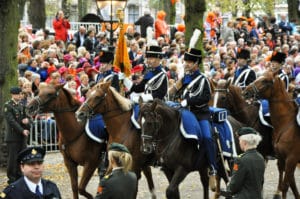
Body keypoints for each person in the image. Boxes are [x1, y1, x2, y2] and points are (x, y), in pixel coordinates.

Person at [176, 48, 217, 189]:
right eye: (185, 61)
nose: (186, 64)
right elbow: (177, 94)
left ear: (196, 64)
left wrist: (189, 101)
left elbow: (205, 97)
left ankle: (212, 167)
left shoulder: (203, 79)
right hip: (184, 112)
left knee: (206, 137)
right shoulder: (185, 78)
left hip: (200, 114)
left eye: (189, 62)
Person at [221, 127, 265, 199]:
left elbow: (234, 185)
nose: (239, 142)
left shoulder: (240, 160)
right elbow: (261, 182)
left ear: (244, 142)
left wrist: (229, 186)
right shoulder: (260, 157)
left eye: (239, 140)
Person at [3, 87, 31, 184]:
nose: (20, 96)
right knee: (13, 158)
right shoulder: (8, 106)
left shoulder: (21, 105)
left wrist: (27, 122)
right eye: (18, 94)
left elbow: (27, 117)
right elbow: (11, 121)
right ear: (12, 94)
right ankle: (12, 178)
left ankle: (20, 176)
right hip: (13, 137)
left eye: (20, 94)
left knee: (22, 157)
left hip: (22, 137)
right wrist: (22, 130)